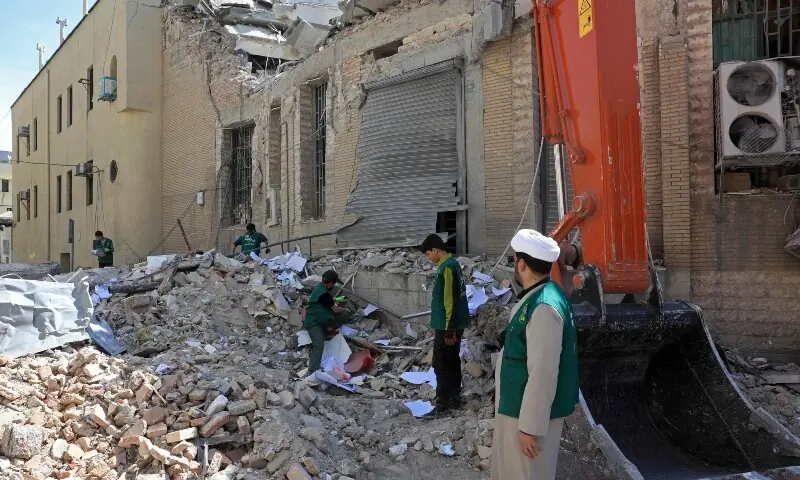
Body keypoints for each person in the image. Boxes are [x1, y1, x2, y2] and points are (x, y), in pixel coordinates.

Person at [491, 229, 579, 480]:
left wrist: (529, 428)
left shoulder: (543, 307)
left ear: (521, 264)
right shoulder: (541, 296)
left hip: (527, 418)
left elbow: (543, 372)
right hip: (517, 409)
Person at [419, 233, 471, 417]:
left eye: (427, 254)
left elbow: (450, 300)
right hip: (452, 323)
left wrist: (449, 329)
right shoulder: (452, 265)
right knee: (452, 360)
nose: (428, 258)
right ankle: (454, 397)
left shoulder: (447, 267)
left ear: (435, 250)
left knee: (441, 363)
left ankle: (443, 403)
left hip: (447, 325)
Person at [303, 270, 352, 373]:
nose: (333, 286)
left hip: (320, 320)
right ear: (330, 283)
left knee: (338, 316)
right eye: (334, 284)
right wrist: (345, 309)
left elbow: (327, 303)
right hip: (314, 323)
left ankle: (327, 330)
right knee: (319, 345)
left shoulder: (319, 288)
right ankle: (312, 371)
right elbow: (334, 309)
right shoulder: (324, 294)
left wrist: (336, 301)